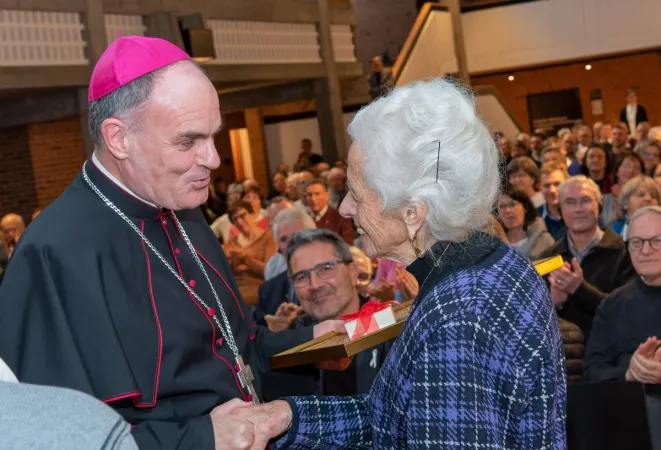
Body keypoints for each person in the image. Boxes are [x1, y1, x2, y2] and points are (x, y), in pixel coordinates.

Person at [0, 36, 343, 450]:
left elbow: (227, 346)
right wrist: (201, 438)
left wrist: (311, 340)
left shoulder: (182, 205)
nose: (213, 159)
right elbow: (57, 435)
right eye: (188, 141)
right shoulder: (54, 253)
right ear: (118, 138)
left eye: (213, 136)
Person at [229, 79, 566, 449]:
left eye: (357, 194)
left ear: (412, 213)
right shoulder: (492, 262)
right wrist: (288, 418)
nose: (345, 209)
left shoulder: (456, 320)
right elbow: (392, 414)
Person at [260, 230, 392, 401]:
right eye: (301, 277)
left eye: (326, 268)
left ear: (353, 273)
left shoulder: (388, 325)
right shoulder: (292, 342)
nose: (314, 284)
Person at [539, 175, 634, 340]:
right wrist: (554, 304)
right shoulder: (547, 258)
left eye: (585, 200)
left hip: (610, 353)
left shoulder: (624, 253)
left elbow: (627, 313)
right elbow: (533, 319)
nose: (578, 209)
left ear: (599, 206)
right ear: (560, 210)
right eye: (570, 202)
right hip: (563, 356)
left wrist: (579, 289)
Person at [583, 206, 661, 383]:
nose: (646, 250)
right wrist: (630, 374)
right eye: (636, 242)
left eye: (657, 240)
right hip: (630, 405)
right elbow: (592, 371)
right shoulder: (613, 305)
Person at [254, 207, 317, 328]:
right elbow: (260, 337)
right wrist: (276, 329)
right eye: (283, 239)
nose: (290, 244)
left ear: (313, 238)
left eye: (296, 236)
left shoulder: (333, 276)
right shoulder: (268, 291)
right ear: (278, 248)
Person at [224, 201, 277, 306]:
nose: (239, 221)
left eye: (242, 216)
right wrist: (226, 262)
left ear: (252, 215)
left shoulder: (268, 238)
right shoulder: (231, 243)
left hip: (257, 288)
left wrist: (245, 259)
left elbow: (270, 271)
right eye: (235, 219)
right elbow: (224, 275)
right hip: (234, 289)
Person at [497, 187, 554, 259]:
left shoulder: (544, 240)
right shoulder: (495, 246)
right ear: (498, 214)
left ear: (525, 208)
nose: (508, 210)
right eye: (502, 206)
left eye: (513, 204)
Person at [600, 151, 644, 228]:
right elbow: (604, 226)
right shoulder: (604, 199)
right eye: (626, 166)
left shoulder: (646, 199)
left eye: (636, 168)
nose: (631, 171)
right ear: (617, 171)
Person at [305, 179, 355, 245]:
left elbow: (348, 244)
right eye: (309, 195)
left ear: (327, 196)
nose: (313, 199)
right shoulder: (302, 217)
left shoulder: (340, 217)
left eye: (317, 194)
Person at [538, 162, 568, 240]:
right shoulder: (534, 217)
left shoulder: (579, 213)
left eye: (557, 184)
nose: (552, 190)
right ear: (540, 187)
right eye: (546, 186)